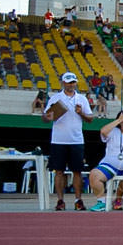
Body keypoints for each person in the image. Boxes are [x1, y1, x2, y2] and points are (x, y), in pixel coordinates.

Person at [42, 72, 93, 210]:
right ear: (63, 83)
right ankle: (60, 200)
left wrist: (81, 113)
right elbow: (45, 118)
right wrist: (49, 115)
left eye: (73, 82)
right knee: (59, 171)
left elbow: (90, 119)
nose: (71, 84)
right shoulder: (55, 98)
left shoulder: (82, 99)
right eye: (69, 82)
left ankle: (78, 200)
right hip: (59, 140)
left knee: (77, 171)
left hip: (76, 139)